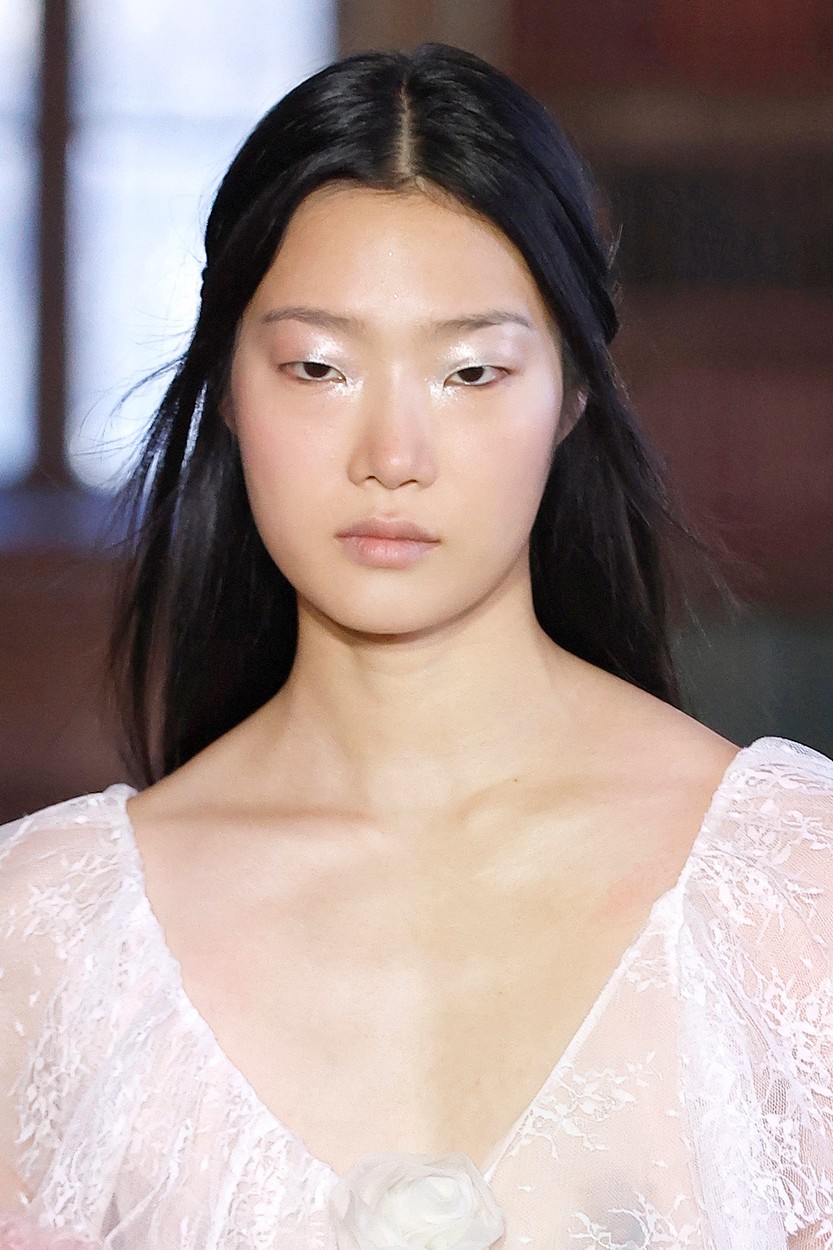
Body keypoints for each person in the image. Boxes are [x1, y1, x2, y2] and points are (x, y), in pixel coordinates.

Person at [1, 41, 831, 1250]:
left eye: (470, 371)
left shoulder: (791, 888)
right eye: (318, 367)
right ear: (228, 384)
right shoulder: (45, 939)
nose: (392, 452)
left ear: (572, 391)